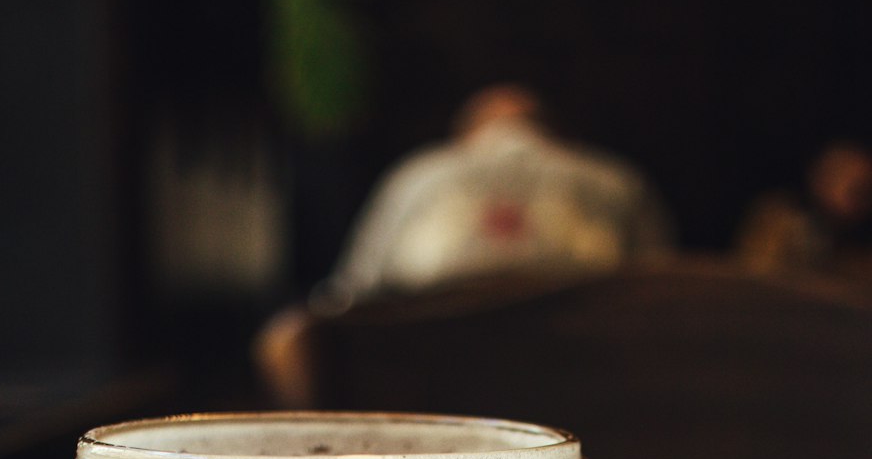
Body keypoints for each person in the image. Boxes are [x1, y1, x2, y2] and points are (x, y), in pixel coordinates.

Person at [320, 84, 675, 304]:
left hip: (428, 379)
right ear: (557, 134)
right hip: (596, 376)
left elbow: (350, 294)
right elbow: (666, 291)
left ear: (465, 134)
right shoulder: (614, 178)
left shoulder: (417, 174)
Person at [736, 141, 872, 277]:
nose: (863, 202)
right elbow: (757, 273)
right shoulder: (780, 217)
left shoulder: (852, 237)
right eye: (858, 190)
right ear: (821, 179)